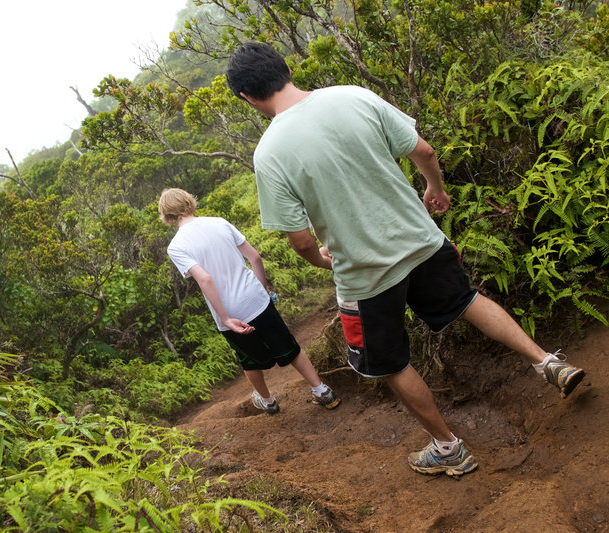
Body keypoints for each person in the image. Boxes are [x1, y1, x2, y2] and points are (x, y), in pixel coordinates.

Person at [225, 42, 585, 476]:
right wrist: (435, 188)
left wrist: (327, 263)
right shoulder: (352, 95)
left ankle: (448, 447)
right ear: (285, 68)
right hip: (421, 240)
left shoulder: (268, 154)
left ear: (247, 96)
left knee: (391, 362)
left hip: (365, 277)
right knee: (467, 301)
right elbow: (424, 152)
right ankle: (546, 361)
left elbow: (300, 242)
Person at [158, 187, 340, 414]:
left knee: (248, 359)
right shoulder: (219, 222)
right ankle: (322, 390)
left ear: (167, 216)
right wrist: (261, 288)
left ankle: (268, 401)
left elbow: (205, 279)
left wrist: (225, 317)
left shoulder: (176, 246)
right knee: (288, 346)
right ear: (189, 203)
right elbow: (254, 257)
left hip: (230, 312)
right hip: (255, 298)